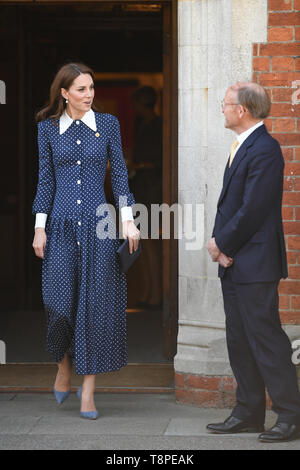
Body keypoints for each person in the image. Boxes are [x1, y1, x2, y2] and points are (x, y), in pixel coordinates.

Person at [32, 62, 140, 420]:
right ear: (64, 93)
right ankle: (63, 365)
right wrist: (39, 227)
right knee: (59, 306)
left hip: (99, 227)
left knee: (95, 307)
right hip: (60, 227)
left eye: (91, 87)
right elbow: (45, 180)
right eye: (80, 89)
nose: (89, 94)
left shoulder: (108, 124)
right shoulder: (47, 130)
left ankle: (88, 391)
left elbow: (121, 176)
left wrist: (128, 220)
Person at [206, 81, 300, 442]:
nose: (223, 108)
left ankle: (290, 415)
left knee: (266, 339)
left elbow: (253, 209)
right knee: (239, 338)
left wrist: (221, 243)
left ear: (242, 110)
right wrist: (223, 248)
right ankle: (248, 412)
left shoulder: (265, 149)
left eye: (226, 103)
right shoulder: (243, 145)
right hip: (235, 261)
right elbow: (233, 205)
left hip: (255, 261)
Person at [130, 86, 163, 309]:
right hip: (142, 188)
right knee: (145, 244)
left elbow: (157, 160)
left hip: (151, 189)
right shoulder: (142, 125)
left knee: (151, 244)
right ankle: (150, 293)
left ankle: (156, 295)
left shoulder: (157, 126)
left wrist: (137, 165)